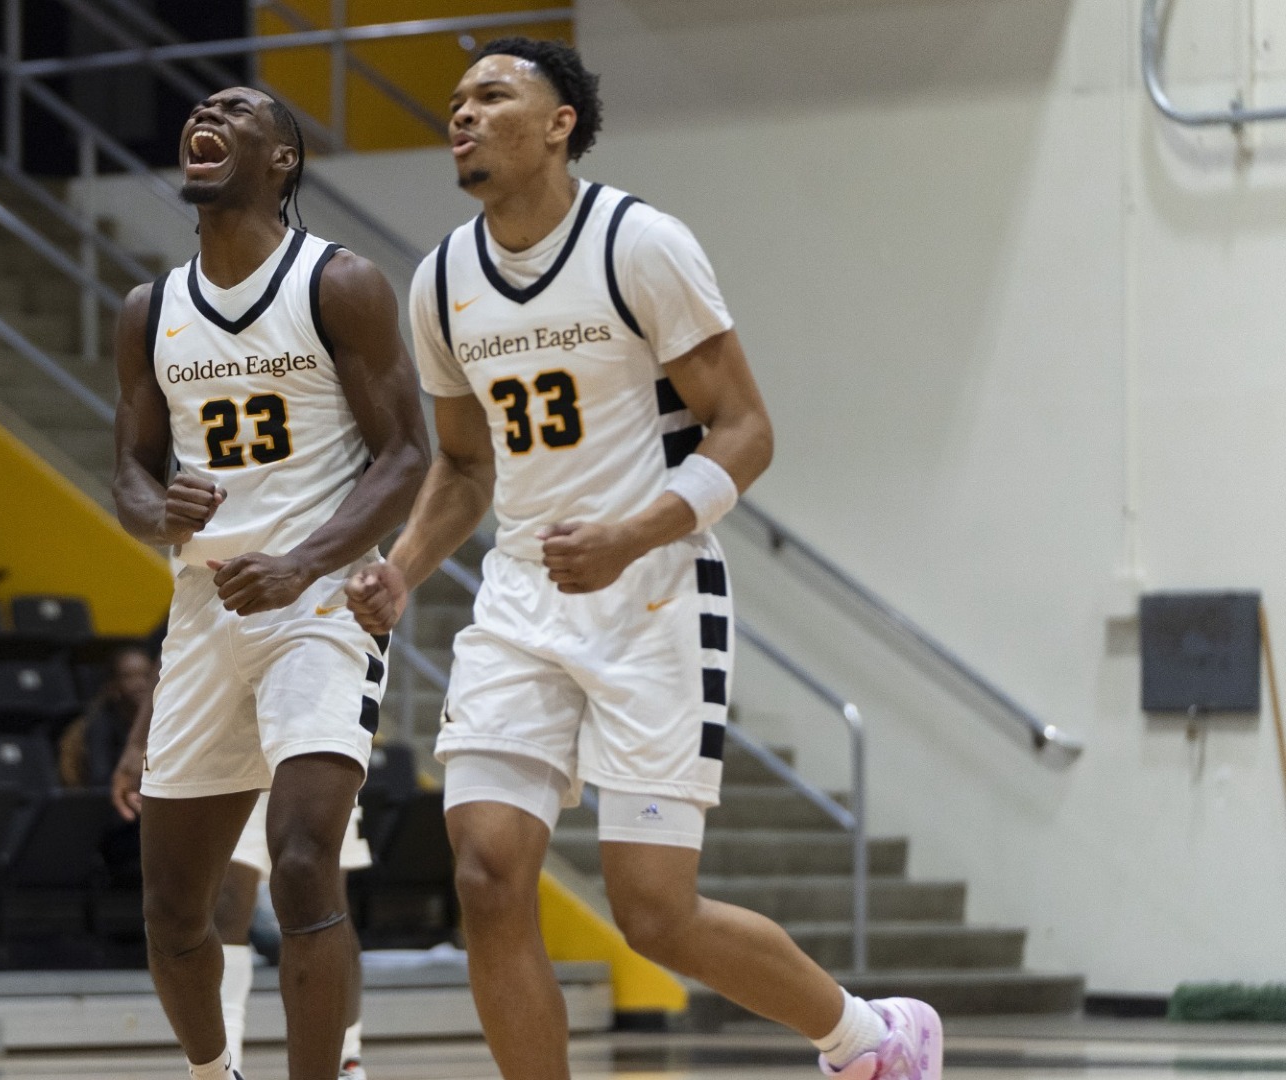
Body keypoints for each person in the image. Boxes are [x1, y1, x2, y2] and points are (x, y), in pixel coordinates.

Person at [345, 38, 942, 1080]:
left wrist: (632, 535)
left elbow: (747, 430)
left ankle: (867, 1039)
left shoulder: (639, 244)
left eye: (492, 95)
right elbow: (462, 464)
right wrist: (402, 566)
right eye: (456, 101)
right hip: (521, 603)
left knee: (653, 917)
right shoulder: (441, 281)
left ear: (560, 121)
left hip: (655, 598)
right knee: (486, 878)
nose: (464, 114)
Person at [110, 85, 428, 1080]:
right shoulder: (149, 310)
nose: (208, 113)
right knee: (174, 910)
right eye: (202, 107)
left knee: (299, 862)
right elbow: (127, 468)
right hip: (206, 613)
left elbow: (409, 457)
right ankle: (217, 1075)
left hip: (321, 607)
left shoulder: (341, 283)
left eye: (239, 110)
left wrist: (303, 562)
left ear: (282, 159)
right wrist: (152, 507)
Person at [111, 697, 373, 1080]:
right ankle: (225, 1063)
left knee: (318, 893)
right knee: (225, 904)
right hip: (230, 712)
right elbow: (174, 645)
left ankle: (347, 1059)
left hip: (308, 708)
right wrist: (138, 741)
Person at [58, 645, 159, 788]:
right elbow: (100, 781)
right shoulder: (99, 725)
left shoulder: (164, 721)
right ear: (113, 685)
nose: (140, 684)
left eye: (146, 675)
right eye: (128, 676)